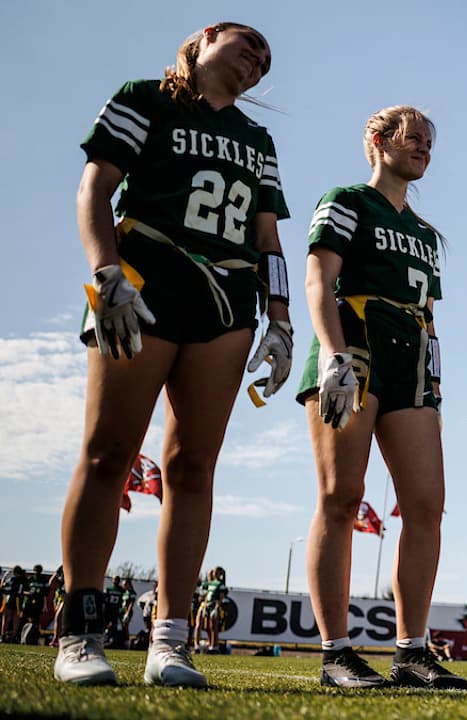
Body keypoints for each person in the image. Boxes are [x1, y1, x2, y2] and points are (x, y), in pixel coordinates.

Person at [55, 21, 291, 688]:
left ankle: (171, 638)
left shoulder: (258, 138)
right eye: (248, 44)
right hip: (146, 276)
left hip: (224, 300)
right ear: (207, 36)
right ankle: (79, 628)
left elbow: (269, 238)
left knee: (194, 469)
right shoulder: (145, 97)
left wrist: (280, 320)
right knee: (109, 454)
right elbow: (94, 189)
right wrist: (106, 274)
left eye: (266, 60)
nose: (257, 60)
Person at [296, 105, 466, 690]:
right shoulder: (347, 199)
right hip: (355, 347)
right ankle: (335, 652)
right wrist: (335, 355)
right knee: (342, 497)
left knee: (426, 504)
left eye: (429, 141)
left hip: (411, 362)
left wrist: (435, 375)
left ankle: (412, 652)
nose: (423, 147)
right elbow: (319, 279)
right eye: (412, 137)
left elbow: (430, 312)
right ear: (378, 140)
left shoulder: (424, 231)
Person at [195, 567, 227, 651]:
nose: (213, 574)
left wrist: (216, 607)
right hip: (207, 605)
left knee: (213, 627)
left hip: (214, 606)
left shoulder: (220, 584)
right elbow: (204, 596)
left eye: (216, 572)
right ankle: (202, 645)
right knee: (206, 626)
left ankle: (214, 646)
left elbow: (221, 597)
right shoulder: (210, 583)